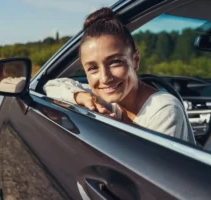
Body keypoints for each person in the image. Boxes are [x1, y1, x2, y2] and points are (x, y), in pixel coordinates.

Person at [44, 7, 196, 144]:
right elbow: (51, 86)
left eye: (115, 62)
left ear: (135, 60)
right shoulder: (102, 99)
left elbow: (154, 171)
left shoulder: (165, 109)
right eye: (92, 68)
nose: (104, 78)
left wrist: (117, 131)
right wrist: (81, 97)